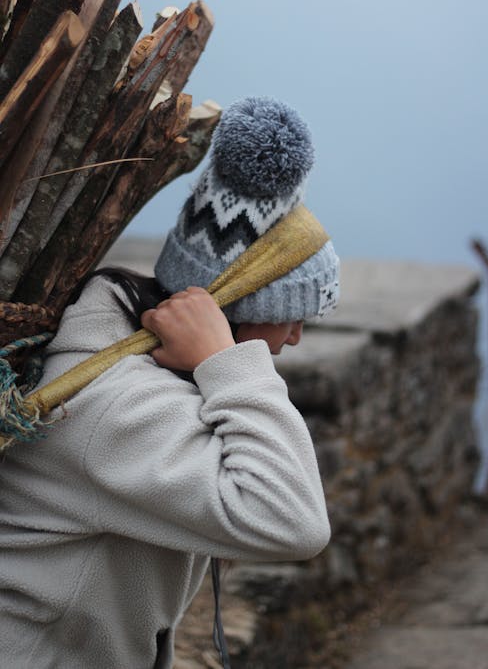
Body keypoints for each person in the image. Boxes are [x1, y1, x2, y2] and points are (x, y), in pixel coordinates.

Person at [0, 96, 340, 669]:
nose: (296, 338)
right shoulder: (113, 404)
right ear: (229, 306)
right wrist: (228, 362)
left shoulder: (115, 350)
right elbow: (295, 522)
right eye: (292, 313)